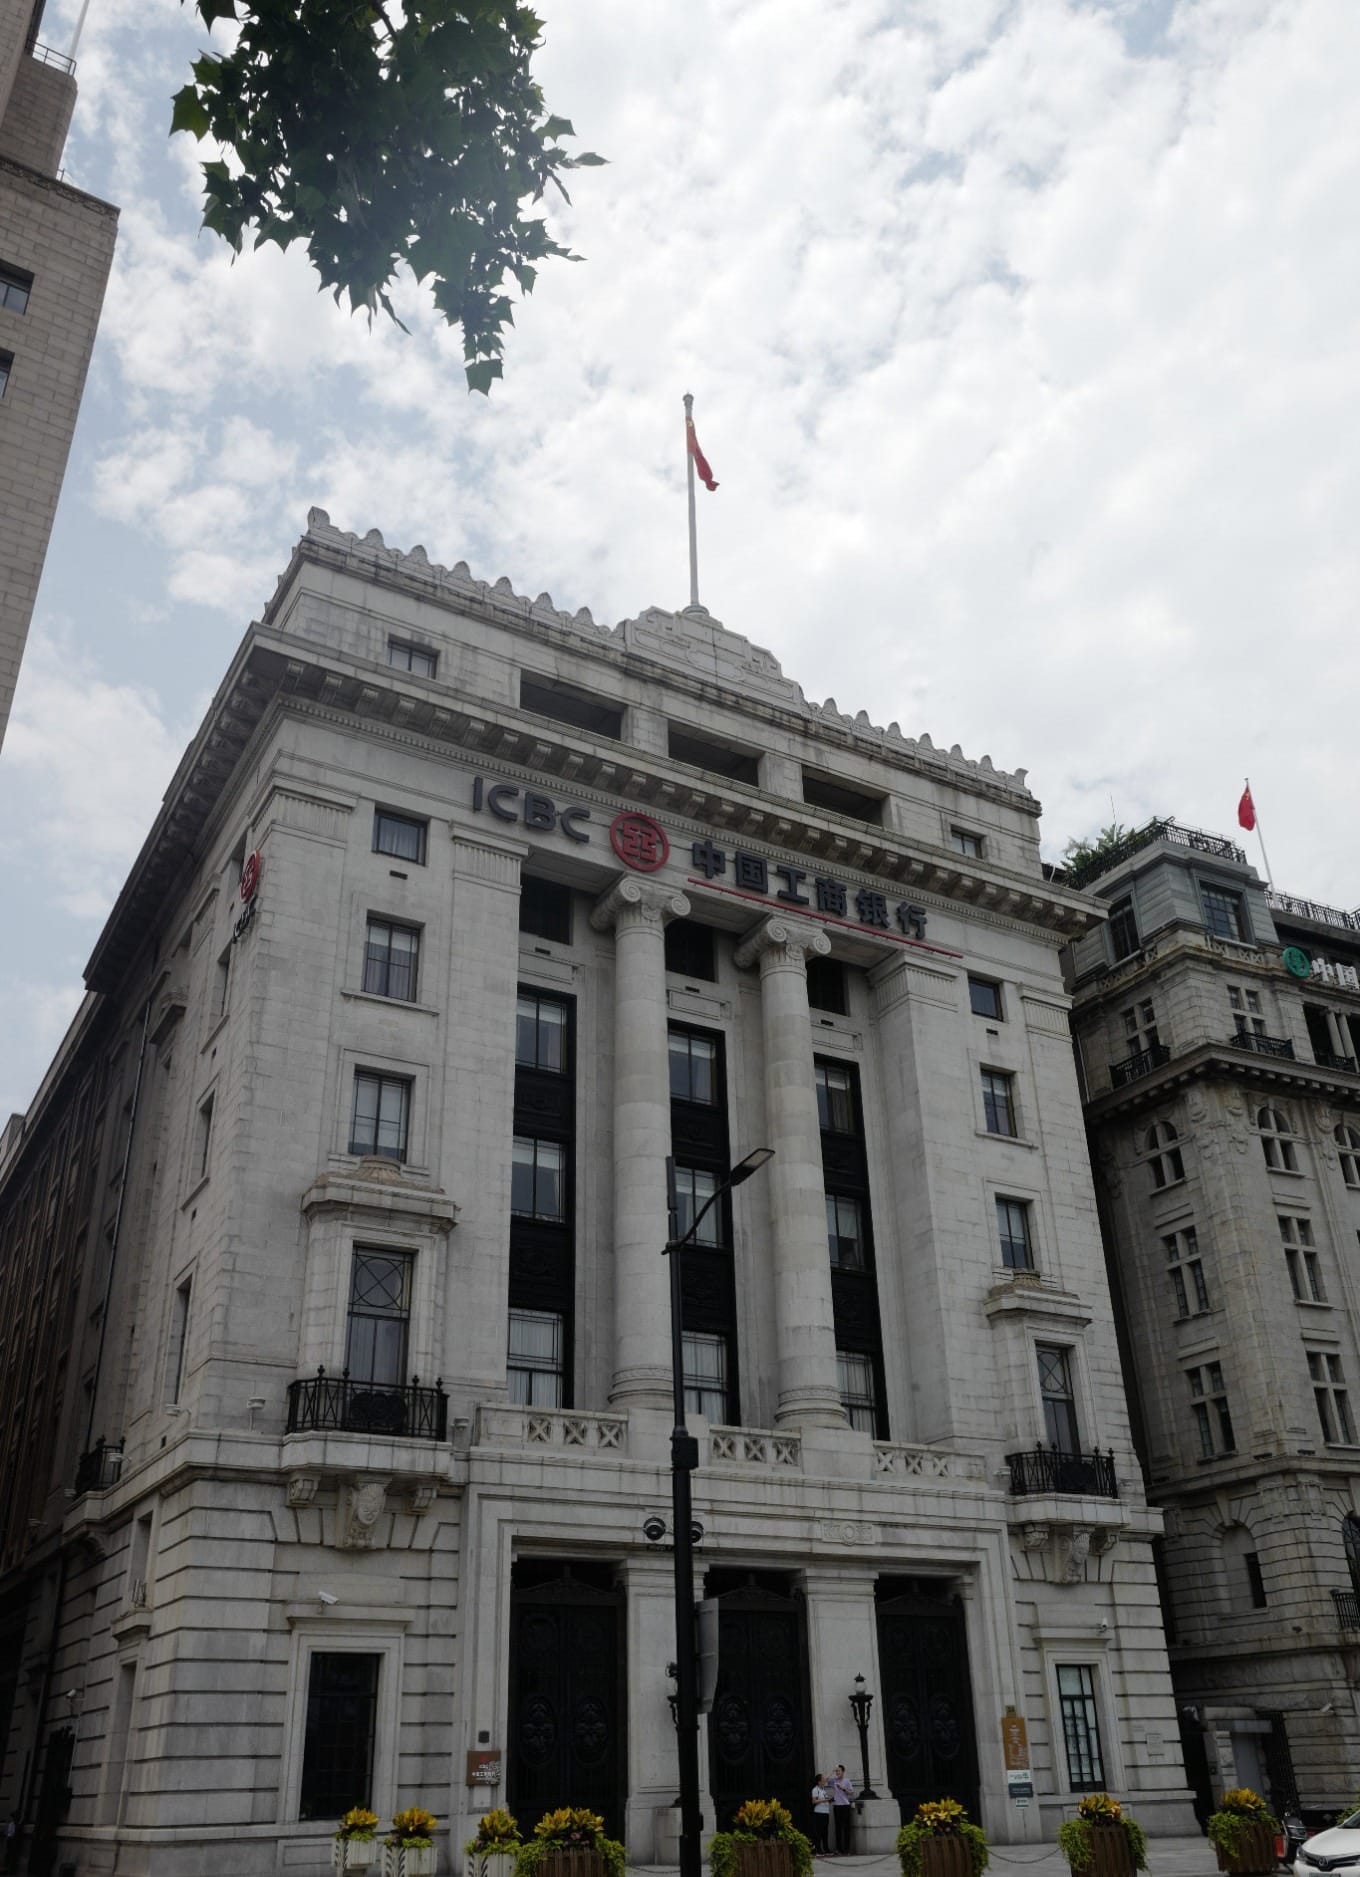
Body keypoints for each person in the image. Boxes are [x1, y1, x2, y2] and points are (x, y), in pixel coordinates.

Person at [831, 1765, 854, 1855]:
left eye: (839, 1771)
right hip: (837, 1806)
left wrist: (843, 1789)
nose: (837, 1773)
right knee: (838, 1828)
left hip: (845, 1806)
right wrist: (832, 1771)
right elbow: (825, 1779)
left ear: (843, 1771)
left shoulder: (847, 1781)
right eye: (836, 1771)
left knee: (846, 1828)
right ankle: (838, 1849)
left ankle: (847, 1850)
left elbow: (851, 1792)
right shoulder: (834, 1781)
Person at [810, 1775, 831, 1856]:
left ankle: (826, 1849)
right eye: (823, 1779)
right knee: (818, 1832)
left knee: (825, 1832)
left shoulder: (823, 1790)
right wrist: (825, 1800)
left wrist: (829, 1800)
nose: (825, 1781)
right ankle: (818, 1850)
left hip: (826, 1812)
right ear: (819, 1781)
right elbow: (814, 1801)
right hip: (819, 1813)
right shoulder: (815, 1790)